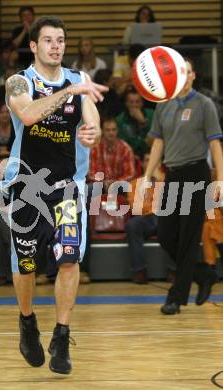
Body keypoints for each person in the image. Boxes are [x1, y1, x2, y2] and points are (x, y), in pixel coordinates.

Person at [2, 16, 108, 374]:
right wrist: (69, 93)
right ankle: (27, 321)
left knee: (68, 259)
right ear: (33, 46)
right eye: (48, 40)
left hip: (68, 188)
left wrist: (92, 131)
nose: (56, 45)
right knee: (27, 266)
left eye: (60, 39)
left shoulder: (80, 80)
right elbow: (29, 116)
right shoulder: (19, 81)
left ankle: (62, 335)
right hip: (27, 187)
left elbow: (90, 118)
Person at [143, 58, 223, 315]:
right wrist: (147, 176)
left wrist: (219, 180)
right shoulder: (163, 104)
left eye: (187, 72)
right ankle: (203, 273)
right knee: (165, 233)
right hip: (172, 175)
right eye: (180, 72)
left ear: (193, 75)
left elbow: (215, 145)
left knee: (188, 238)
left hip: (196, 174)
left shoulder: (204, 104)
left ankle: (175, 299)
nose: (184, 76)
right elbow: (157, 143)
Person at [126, 151, 176, 284]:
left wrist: (160, 181)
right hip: (146, 219)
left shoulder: (168, 179)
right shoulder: (135, 183)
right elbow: (135, 208)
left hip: (165, 218)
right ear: (142, 164)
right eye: (147, 160)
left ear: (159, 164)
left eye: (154, 160)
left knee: (177, 221)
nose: (151, 164)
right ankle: (139, 271)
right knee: (132, 225)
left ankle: (173, 270)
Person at [88, 116, 135, 193]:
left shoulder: (126, 148)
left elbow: (130, 173)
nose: (111, 133)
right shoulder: (95, 148)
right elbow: (92, 173)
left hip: (120, 185)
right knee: (89, 188)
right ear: (102, 131)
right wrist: (104, 182)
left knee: (130, 188)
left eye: (113, 130)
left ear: (117, 130)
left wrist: (116, 183)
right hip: (100, 185)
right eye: (107, 130)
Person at [117, 87, 154, 158]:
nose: (134, 105)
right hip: (129, 157)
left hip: (150, 155)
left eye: (137, 102)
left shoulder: (151, 114)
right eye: (131, 102)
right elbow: (123, 145)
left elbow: (154, 139)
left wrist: (143, 121)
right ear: (126, 103)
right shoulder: (120, 120)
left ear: (142, 103)